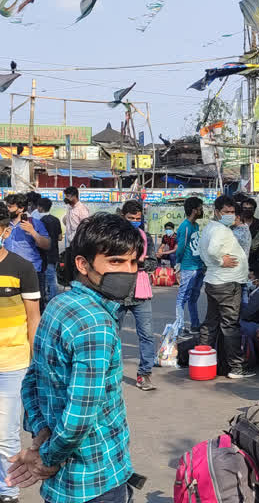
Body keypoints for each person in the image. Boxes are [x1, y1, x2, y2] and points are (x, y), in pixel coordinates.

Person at [11, 213, 141, 503]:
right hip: (96, 479)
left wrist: (41, 436)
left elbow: (32, 381)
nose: (128, 272)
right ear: (83, 264)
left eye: (133, 262)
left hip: (64, 484)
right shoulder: (97, 324)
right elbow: (79, 417)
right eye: (116, 262)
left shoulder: (58, 303)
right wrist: (47, 458)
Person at [0, 202, 41, 503]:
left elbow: (33, 317)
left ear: (4, 230)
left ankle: (8, 490)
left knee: (4, 434)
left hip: (12, 364)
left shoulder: (21, 268)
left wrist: (34, 363)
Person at [198, 195, 252, 379]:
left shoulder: (211, 228)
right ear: (216, 212)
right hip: (227, 283)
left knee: (211, 323)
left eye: (232, 212)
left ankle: (203, 361)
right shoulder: (220, 230)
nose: (229, 215)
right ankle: (236, 367)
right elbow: (213, 250)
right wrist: (222, 261)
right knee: (230, 325)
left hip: (215, 281)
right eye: (226, 212)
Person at [117, 200, 158, 391]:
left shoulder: (146, 237)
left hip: (140, 294)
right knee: (111, 336)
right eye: (130, 218)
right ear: (122, 216)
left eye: (138, 219)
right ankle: (111, 373)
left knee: (147, 335)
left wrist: (131, 263)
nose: (134, 221)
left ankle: (145, 374)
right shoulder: (113, 237)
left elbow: (152, 264)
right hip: (116, 293)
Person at [5, 194, 51, 307]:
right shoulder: (4, 224)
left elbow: (47, 245)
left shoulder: (35, 223)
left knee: (34, 306)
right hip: (9, 272)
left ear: (21, 208)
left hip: (32, 272)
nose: (7, 209)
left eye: (10, 207)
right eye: (7, 206)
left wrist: (33, 232)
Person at [175, 196, 205, 332]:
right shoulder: (185, 227)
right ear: (194, 210)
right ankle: (179, 326)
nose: (202, 211)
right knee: (182, 298)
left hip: (198, 267)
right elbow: (181, 247)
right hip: (188, 267)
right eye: (200, 209)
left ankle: (195, 324)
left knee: (193, 298)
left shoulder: (196, 225)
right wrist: (178, 263)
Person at [37, 198, 61, 306]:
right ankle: (52, 297)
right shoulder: (56, 220)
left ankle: (52, 299)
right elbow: (60, 237)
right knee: (52, 277)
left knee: (49, 279)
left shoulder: (40, 221)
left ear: (40, 207)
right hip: (54, 252)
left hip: (45, 254)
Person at [240, 197, 259, 271]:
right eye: (245, 208)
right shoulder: (235, 225)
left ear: (254, 210)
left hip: (256, 263)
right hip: (239, 261)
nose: (247, 210)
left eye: (250, 208)